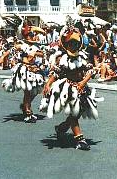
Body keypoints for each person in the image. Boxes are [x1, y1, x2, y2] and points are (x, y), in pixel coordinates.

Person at [40, 16, 103, 150]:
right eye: (70, 44)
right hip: (67, 89)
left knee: (77, 113)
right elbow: (57, 74)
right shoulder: (62, 59)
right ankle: (80, 139)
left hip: (81, 88)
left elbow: (90, 72)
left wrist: (82, 83)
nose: (73, 46)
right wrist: (48, 84)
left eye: (75, 43)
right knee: (74, 114)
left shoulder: (83, 57)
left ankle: (61, 128)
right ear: (66, 44)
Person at [1, 20, 47, 123]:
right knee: (27, 92)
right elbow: (11, 50)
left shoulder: (37, 46)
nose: (35, 37)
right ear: (27, 36)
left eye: (35, 35)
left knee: (35, 92)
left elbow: (42, 54)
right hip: (25, 71)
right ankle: (27, 112)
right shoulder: (22, 45)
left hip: (35, 70)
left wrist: (41, 60)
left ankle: (26, 105)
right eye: (32, 35)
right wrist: (3, 57)